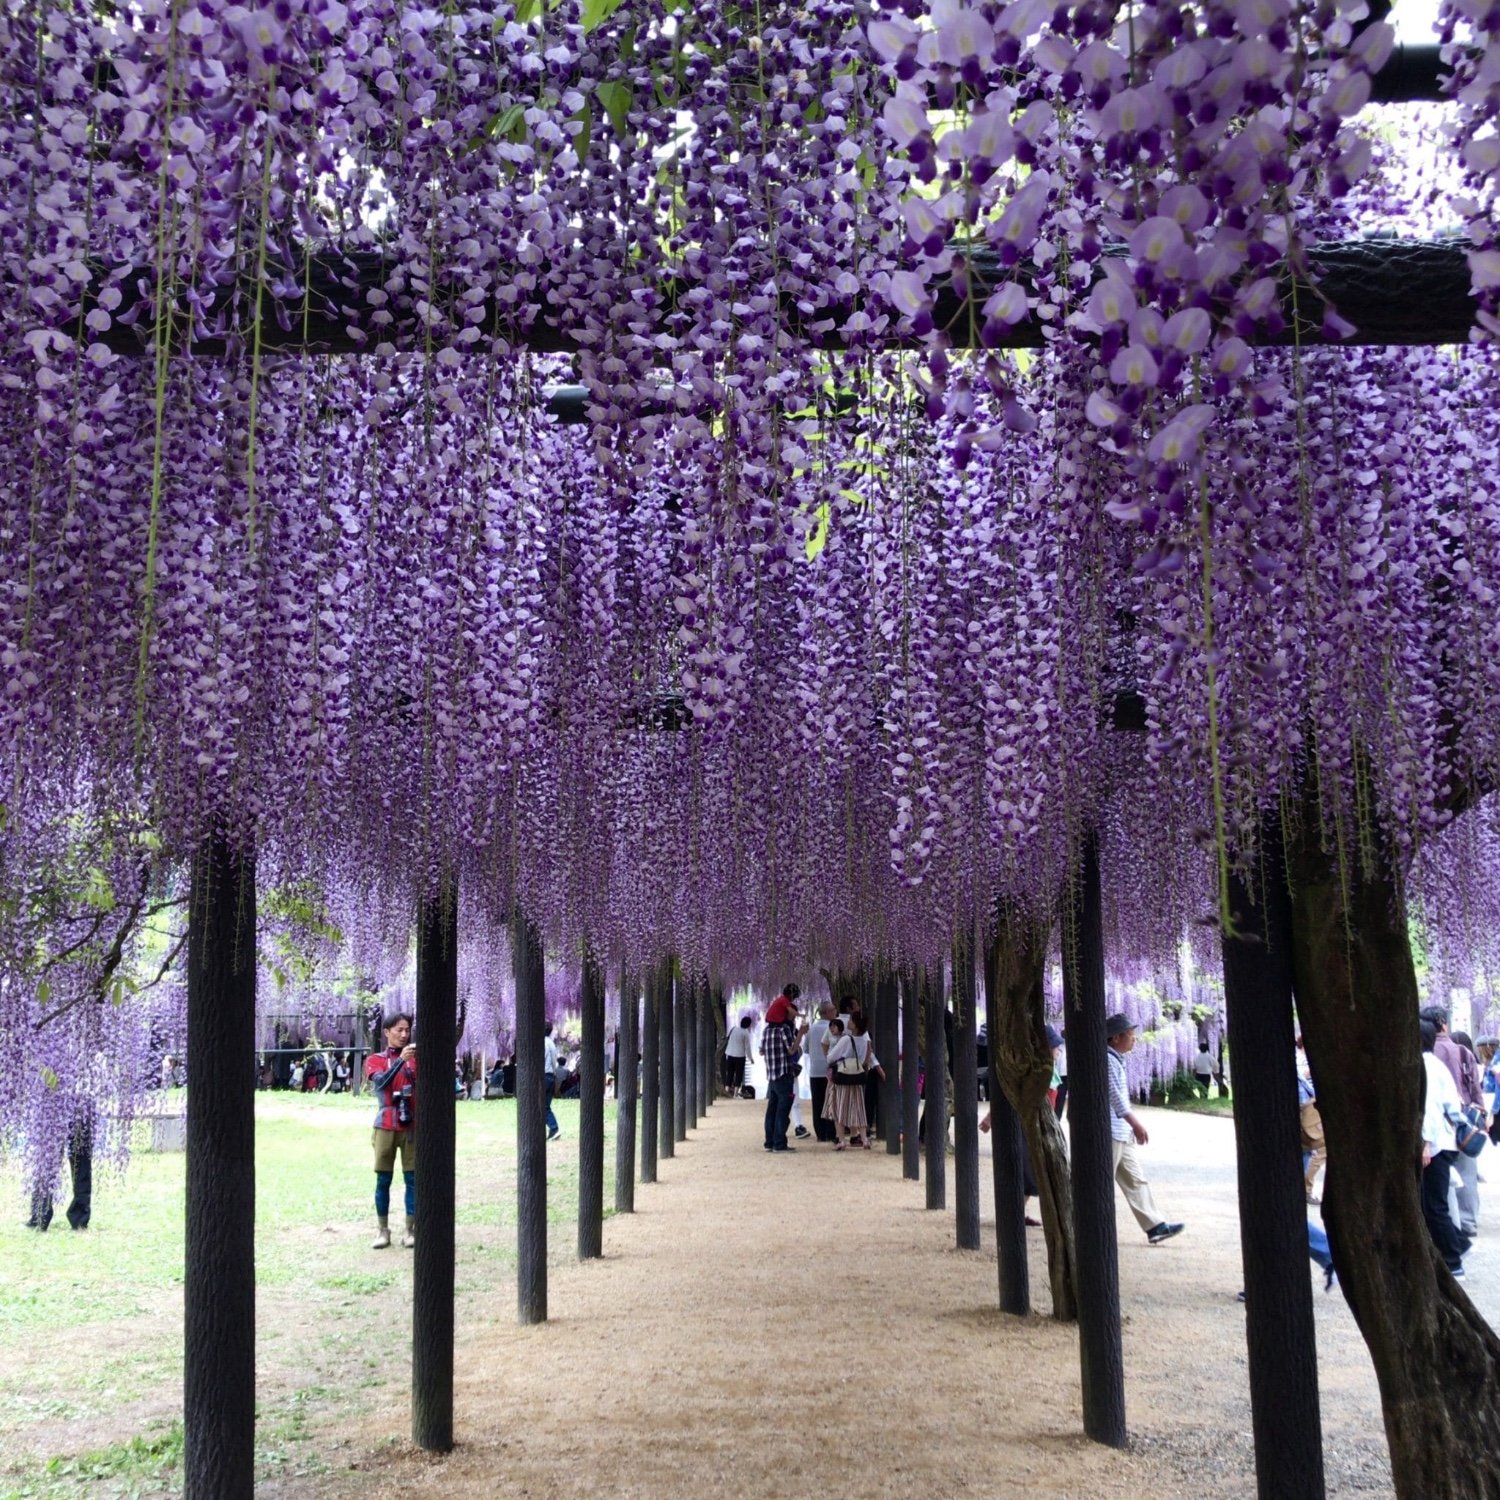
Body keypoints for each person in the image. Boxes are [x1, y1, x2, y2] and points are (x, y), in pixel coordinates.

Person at [1105, 1013, 1184, 1244]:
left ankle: (1155, 1226)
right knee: (1097, 1184)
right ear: (1116, 1038)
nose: (1134, 1039)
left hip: (1121, 1132)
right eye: (1131, 1035)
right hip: (1111, 1132)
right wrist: (1136, 1123)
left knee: (1136, 1179)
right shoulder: (1108, 1060)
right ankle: (1072, 1221)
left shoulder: (1116, 1058)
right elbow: (1115, 1097)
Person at [1422, 1007, 1484, 1236]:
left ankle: (1452, 1229)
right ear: (1443, 1024)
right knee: (1467, 1173)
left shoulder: (1425, 1054)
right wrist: (1481, 1115)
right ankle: (1468, 1222)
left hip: (1438, 1125)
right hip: (1463, 1119)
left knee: (1443, 1183)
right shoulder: (1461, 1050)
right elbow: (1474, 1085)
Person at [1419, 1017, 1471, 1277]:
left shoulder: (1424, 1067)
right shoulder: (1436, 1065)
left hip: (1435, 1144)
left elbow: (1428, 1109)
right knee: (1432, 1202)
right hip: (1445, 1141)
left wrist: (1424, 1144)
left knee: (1434, 1206)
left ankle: (1453, 1260)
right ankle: (1459, 1244)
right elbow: (1454, 1105)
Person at [364, 1013, 417, 1249]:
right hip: (385, 1123)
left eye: (407, 1030)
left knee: (413, 1179)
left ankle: (410, 1229)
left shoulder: (416, 1059)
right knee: (383, 1179)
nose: (404, 1035)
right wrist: (399, 1062)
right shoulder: (375, 1059)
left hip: (411, 1126)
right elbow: (381, 1084)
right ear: (386, 1032)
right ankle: (383, 1230)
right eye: (399, 1030)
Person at [824, 1014, 884, 1149]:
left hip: (843, 1077)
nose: (848, 1022)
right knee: (858, 1109)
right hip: (857, 1077)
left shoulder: (846, 1039)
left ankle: (841, 1140)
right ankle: (864, 1139)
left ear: (855, 1024)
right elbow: (866, 1059)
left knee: (839, 1108)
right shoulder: (864, 1041)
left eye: (851, 1020)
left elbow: (830, 1058)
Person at [761, 984, 801, 1152]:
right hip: (784, 1073)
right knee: (783, 1110)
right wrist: (801, 1034)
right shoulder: (783, 1029)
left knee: (772, 1108)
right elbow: (792, 1050)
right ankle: (779, 1143)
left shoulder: (767, 1031)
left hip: (772, 1074)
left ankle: (769, 1142)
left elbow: (762, 1051)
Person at [1296, 1035, 1326, 1204]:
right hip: (1307, 1107)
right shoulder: (1300, 1059)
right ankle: (1305, 1188)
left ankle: (1304, 1187)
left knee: (1311, 1149)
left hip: (1309, 1105)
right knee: (1314, 1147)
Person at [805, 999, 837, 1142]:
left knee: (817, 1103)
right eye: (834, 1010)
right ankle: (830, 1132)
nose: (835, 1012)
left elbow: (806, 1049)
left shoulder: (812, 1029)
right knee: (830, 1101)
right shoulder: (832, 1029)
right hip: (829, 1070)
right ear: (828, 1012)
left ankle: (820, 1133)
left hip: (814, 1071)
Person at [724, 1015, 754, 1095]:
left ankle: (726, 1091)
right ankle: (735, 1094)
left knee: (729, 1073)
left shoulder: (734, 1029)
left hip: (730, 1054)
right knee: (739, 1074)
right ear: (748, 1024)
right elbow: (747, 1047)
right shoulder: (745, 1033)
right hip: (740, 1056)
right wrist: (751, 1058)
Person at [543, 1021, 561, 1141]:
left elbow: (542, 1059)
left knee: (541, 1106)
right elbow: (554, 1063)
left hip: (544, 1076)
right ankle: (552, 1130)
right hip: (551, 1077)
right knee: (546, 1106)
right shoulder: (552, 1043)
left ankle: (554, 1128)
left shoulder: (543, 1043)